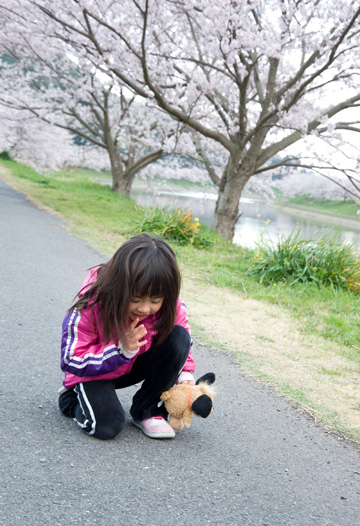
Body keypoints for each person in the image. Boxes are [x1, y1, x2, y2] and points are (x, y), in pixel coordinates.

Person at [58, 233, 195, 440]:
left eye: (155, 300)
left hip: (134, 365)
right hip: (94, 372)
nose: (145, 308)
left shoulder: (168, 302)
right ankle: (71, 397)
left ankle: (148, 411)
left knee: (179, 337)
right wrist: (119, 350)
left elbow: (182, 335)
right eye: (136, 299)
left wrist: (185, 374)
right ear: (119, 286)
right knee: (106, 426)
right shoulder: (92, 302)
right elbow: (71, 359)